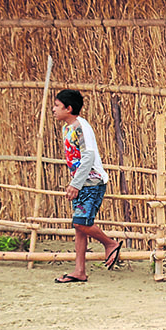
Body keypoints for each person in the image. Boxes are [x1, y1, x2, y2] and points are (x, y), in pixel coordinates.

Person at [53, 89, 122, 283]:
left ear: (69, 108)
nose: (53, 110)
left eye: (57, 106)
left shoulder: (81, 127)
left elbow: (88, 156)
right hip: (81, 183)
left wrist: (75, 184)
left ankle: (110, 244)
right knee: (80, 227)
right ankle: (79, 271)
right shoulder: (68, 128)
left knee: (80, 223)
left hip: (91, 182)